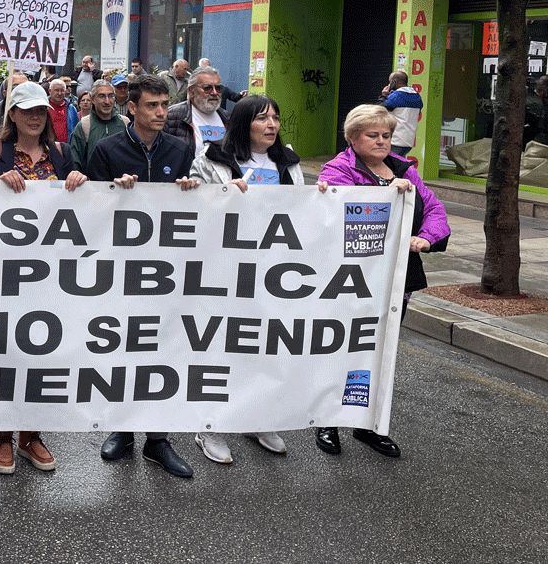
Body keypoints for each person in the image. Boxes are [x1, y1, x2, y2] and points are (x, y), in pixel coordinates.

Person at [186, 94, 319, 463]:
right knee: (220, 347)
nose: (272, 125)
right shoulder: (213, 159)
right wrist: (222, 194)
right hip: (226, 269)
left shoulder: (288, 163)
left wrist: (321, 197)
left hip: (273, 271)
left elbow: (302, 211)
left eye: (275, 118)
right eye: (263, 118)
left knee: (264, 346)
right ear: (245, 123)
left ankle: (259, 417)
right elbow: (194, 207)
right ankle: (210, 424)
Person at [314, 103, 450, 459]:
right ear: (353, 138)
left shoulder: (405, 170)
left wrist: (426, 237)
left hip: (395, 279)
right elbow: (335, 216)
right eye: (372, 135)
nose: (382, 141)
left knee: (381, 352)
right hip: (351, 280)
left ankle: (369, 424)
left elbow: (435, 210)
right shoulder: (337, 171)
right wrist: (387, 193)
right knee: (344, 351)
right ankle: (328, 421)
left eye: (387, 135)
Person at [85, 73, 199, 478]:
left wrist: (193, 188)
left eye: (165, 105)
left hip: (167, 272)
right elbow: (88, 212)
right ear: (130, 108)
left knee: (162, 350)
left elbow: (197, 207)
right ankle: (121, 430)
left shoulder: (181, 149)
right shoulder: (106, 149)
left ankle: (157, 439)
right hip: (119, 270)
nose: (161, 113)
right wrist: (113, 191)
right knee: (121, 350)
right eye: (152, 106)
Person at [0, 80, 86, 474]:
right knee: (4, 352)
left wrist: (80, 184)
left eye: (42, 110)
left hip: (49, 273)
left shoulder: (63, 152)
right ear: (12, 115)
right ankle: (2, 436)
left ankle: (31, 434)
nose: (36, 116)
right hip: (1, 271)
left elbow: (86, 206)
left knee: (41, 352)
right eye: (27, 110)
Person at [164, 66, 230, 158]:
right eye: (207, 88)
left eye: (218, 88)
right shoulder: (172, 116)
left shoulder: (228, 118)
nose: (214, 93)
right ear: (191, 92)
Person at [68, 78, 128, 172]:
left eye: (111, 96)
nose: (107, 101)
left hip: (122, 184)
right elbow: (74, 161)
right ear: (93, 99)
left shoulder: (125, 123)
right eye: (102, 96)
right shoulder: (84, 126)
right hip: (93, 185)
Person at [380, 70, 422, 157]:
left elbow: (379, 110)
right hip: (408, 142)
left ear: (394, 82)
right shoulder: (417, 97)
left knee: (386, 168)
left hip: (395, 140)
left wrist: (383, 96)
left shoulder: (396, 95)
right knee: (398, 168)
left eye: (390, 82)